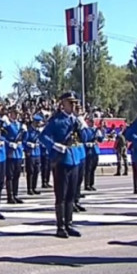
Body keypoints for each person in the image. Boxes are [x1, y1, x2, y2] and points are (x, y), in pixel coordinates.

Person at [39, 91, 83, 238]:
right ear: (63, 104)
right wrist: (55, 146)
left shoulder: (75, 121)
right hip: (61, 161)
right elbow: (43, 136)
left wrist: (82, 126)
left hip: (74, 159)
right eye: (70, 103)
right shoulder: (56, 121)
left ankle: (69, 224)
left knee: (71, 195)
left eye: (75, 103)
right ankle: (60, 226)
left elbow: (84, 137)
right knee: (61, 195)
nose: (73, 105)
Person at [3, 109, 26, 204]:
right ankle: (10, 196)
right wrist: (9, 144)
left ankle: (15, 194)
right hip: (10, 153)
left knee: (17, 175)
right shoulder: (6, 125)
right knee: (10, 176)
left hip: (18, 153)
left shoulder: (20, 125)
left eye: (17, 114)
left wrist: (25, 132)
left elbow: (24, 139)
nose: (16, 115)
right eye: (14, 113)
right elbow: (2, 138)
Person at [24, 114, 44, 195]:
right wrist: (29, 144)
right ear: (35, 122)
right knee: (30, 171)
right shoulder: (29, 131)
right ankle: (29, 188)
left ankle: (34, 187)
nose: (39, 124)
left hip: (37, 153)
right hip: (31, 153)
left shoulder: (38, 132)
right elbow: (24, 141)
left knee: (36, 171)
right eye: (38, 122)